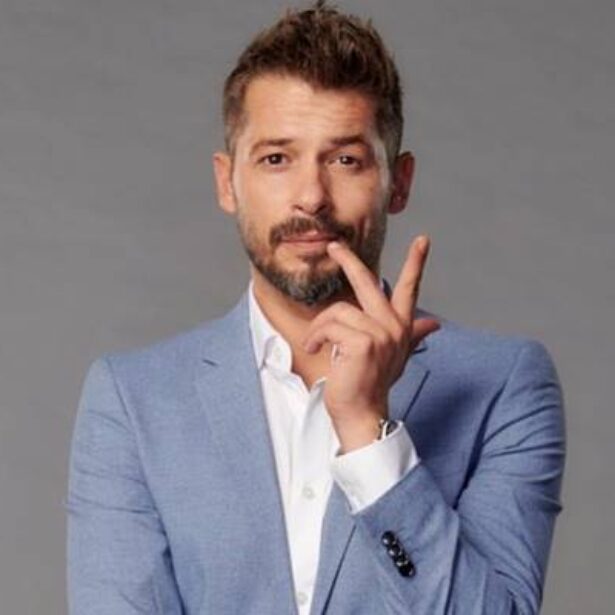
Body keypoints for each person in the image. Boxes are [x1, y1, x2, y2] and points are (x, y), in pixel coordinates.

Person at [65, 2, 566, 613]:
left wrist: (367, 434)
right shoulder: (133, 400)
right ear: (227, 182)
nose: (311, 197)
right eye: (276, 158)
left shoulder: (502, 384)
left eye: (345, 160)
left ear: (399, 182)